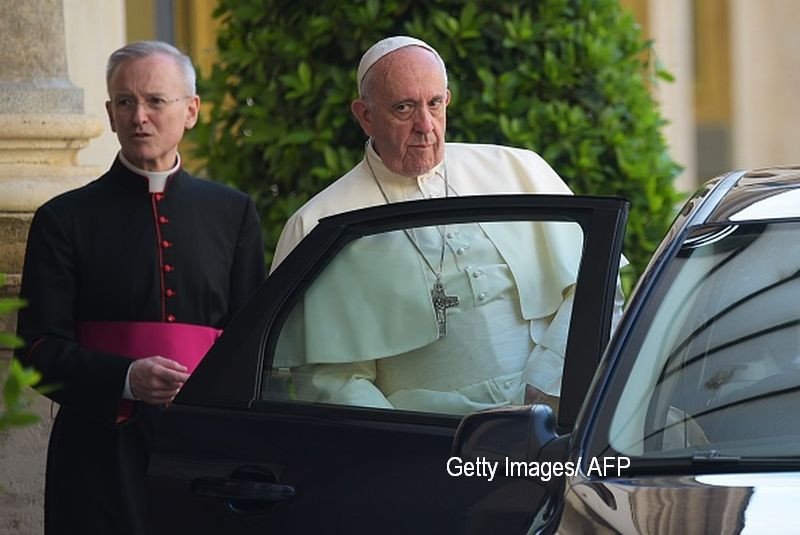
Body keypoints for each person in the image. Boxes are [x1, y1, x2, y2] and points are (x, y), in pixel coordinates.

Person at [269, 36, 622, 415]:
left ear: (447, 101)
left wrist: (551, 386)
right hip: (429, 439)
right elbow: (330, 381)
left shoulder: (516, 170)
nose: (425, 125)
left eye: (434, 104)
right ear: (365, 116)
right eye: (404, 108)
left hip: (554, 412)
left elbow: (596, 288)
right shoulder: (319, 224)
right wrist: (410, 445)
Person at [15, 41, 265, 535]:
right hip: (97, 453)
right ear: (109, 114)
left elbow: (251, 342)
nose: (139, 116)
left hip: (204, 451)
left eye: (155, 100)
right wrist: (127, 378)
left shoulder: (233, 213)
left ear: (191, 111)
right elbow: (36, 349)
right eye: (125, 103)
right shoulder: (63, 219)